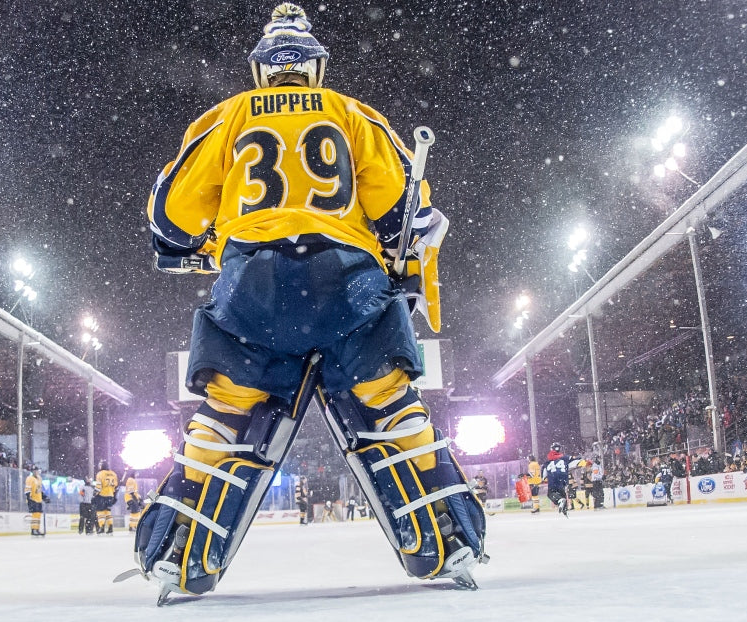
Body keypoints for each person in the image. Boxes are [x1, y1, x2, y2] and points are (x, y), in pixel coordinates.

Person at [134, 4, 482, 600]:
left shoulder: (227, 117)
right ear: (316, 68)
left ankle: (178, 554)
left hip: (255, 288)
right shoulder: (353, 113)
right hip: (348, 282)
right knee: (391, 407)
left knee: (227, 417)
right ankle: (448, 540)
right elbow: (404, 211)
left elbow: (168, 217)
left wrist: (201, 240)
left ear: (262, 70)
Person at [542, 443, 586, 517]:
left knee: (551, 493)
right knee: (562, 493)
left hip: (553, 477)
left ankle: (560, 502)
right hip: (563, 478)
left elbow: (544, 477)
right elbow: (575, 461)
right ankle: (565, 511)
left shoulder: (547, 462)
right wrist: (581, 461)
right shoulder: (565, 458)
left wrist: (548, 478)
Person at [93, 459, 119, 534]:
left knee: (100, 512)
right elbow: (116, 486)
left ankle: (101, 527)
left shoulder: (100, 474)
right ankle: (110, 526)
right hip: (110, 495)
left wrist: (94, 494)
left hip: (102, 495)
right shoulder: (113, 474)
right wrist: (114, 495)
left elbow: (98, 486)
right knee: (108, 512)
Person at [24, 465, 45, 537]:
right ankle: (33, 529)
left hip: (39, 499)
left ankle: (37, 529)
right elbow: (27, 490)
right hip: (33, 499)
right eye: (34, 471)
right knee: (35, 515)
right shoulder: (30, 479)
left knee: (38, 515)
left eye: (37, 471)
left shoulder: (39, 478)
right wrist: (29, 499)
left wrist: (44, 497)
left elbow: (40, 490)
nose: (36, 472)